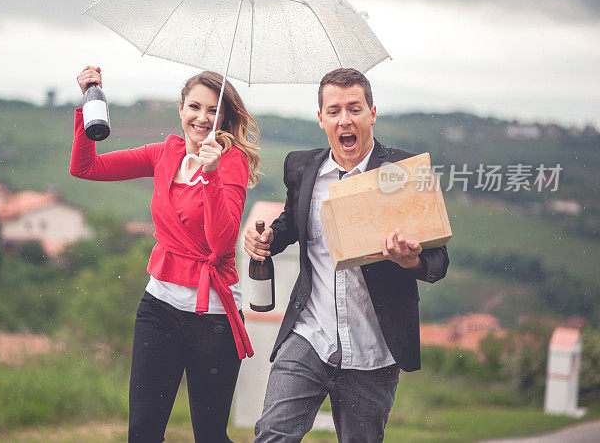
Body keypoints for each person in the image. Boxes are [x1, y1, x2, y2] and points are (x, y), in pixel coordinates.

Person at [244, 68, 449, 443]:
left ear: (372, 112)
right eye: (334, 110)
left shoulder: (404, 172)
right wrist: (270, 239)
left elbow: (439, 261)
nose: (345, 119)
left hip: (374, 349)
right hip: (310, 333)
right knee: (272, 433)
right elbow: (292, 221)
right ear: (320, 118)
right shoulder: (301, 167)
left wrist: (411, 261)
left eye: (354, 108)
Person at [71, 66, 260, 443]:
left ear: (224, 117)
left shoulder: (231, 161)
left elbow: (221, 244)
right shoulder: (163, 153)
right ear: (180, 109)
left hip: (214, 318)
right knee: (142, 431)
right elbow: (85, 167)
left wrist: (210, 174)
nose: (202, 118)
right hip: (159, 308)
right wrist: (89, 105)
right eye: (194, 107)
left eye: (212, 110)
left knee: (209, 435)